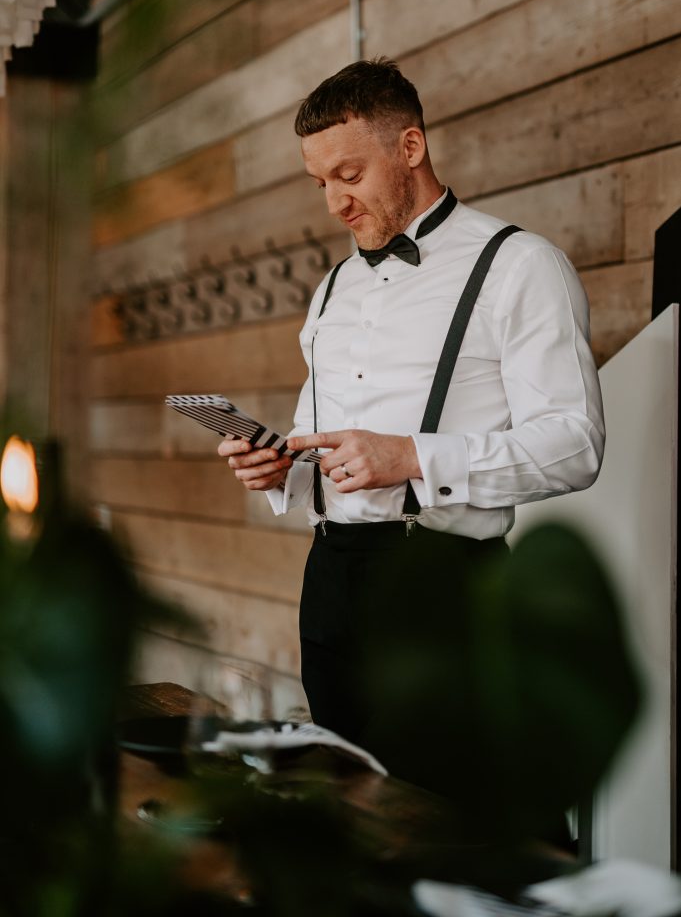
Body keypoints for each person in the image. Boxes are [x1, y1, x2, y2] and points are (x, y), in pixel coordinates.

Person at [218, 57, 605, 754]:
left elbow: (574, 444)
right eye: (319, 183)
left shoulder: (519, 265)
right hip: (329, 578)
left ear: (410, 147)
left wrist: (410, 457)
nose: (334, 203)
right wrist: (283, 468)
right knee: (348, 803)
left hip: (444, 585)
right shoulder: (332, 287)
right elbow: (323, 441)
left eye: (349, 175)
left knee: (452, 813)